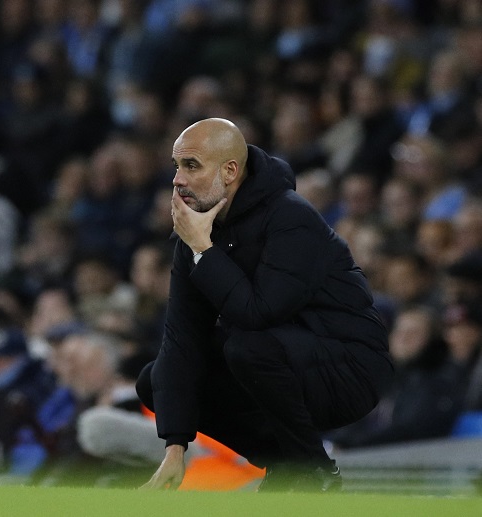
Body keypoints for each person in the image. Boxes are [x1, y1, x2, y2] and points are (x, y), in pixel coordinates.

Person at [136, 118, 394, 492]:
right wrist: (175, 447)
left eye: (191, 166)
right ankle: (288, 466)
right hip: (276, 362)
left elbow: (260, 311)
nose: (178, 179)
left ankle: (310, 470)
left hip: (350, 369)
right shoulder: (194, 238)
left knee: (247, 346)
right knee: (155, 379)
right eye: (177, 166)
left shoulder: (291, 217)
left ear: (229, 171)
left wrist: (204, 252)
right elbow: (181, 340)